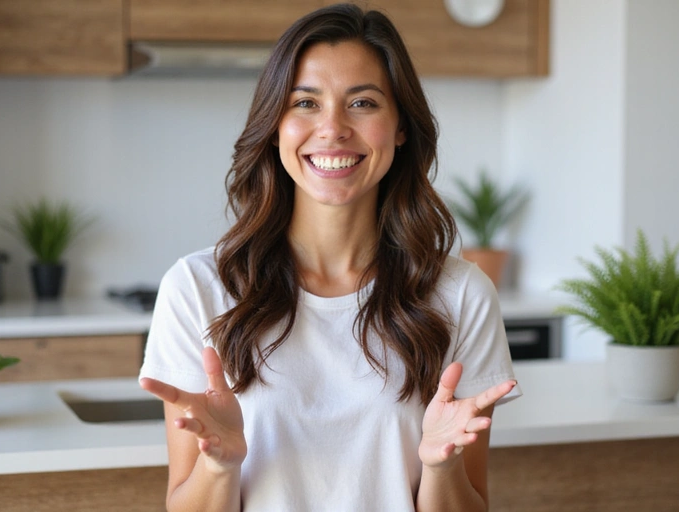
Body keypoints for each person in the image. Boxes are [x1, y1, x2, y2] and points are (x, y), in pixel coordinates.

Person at [139, 3, 521, 511]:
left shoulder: (462, 294)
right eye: (305, 103)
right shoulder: (197, 288)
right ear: (275, 125)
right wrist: (218, 465)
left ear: (401, 126)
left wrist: (441, 465)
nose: (334, 128)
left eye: (362, 103)